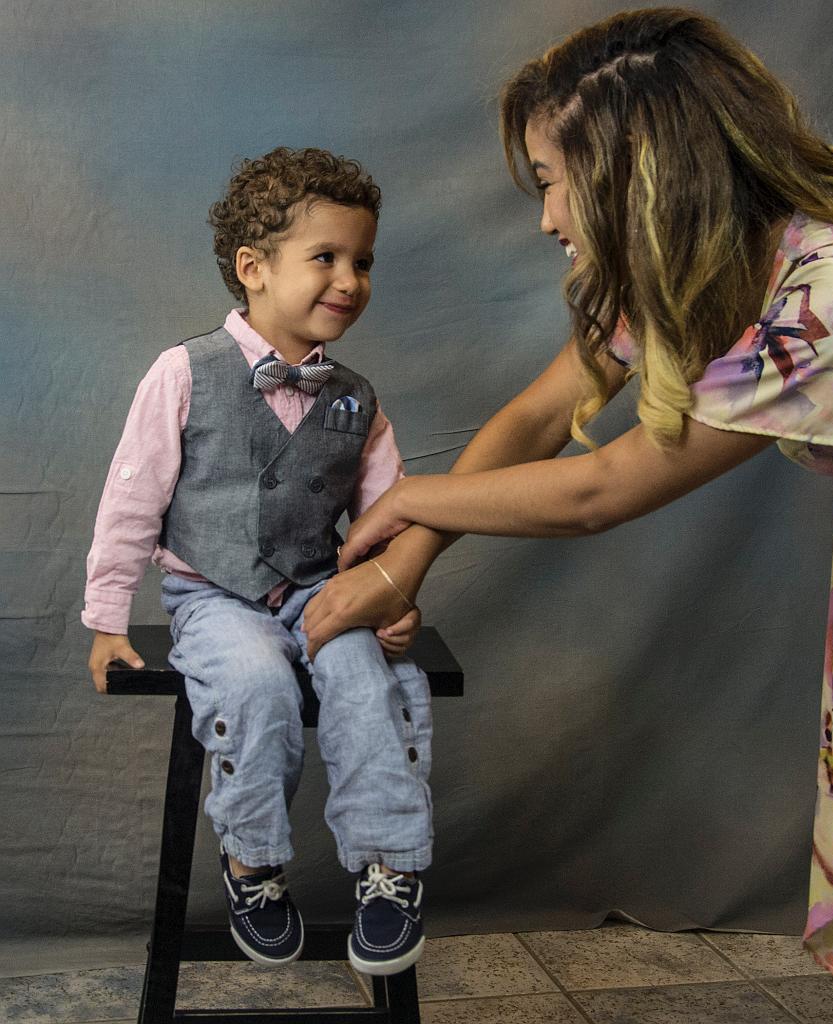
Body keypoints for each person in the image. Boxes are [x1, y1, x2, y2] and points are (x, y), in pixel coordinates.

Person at [301, 9, 833, 1023]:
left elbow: (598, 491)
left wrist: (408, 500)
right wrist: (407, 562)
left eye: (551, 181)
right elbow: (535, 419)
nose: (544, 219)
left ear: (634, 172)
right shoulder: (712, 266)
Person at [83, 147, 432, 976]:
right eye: (325, 257)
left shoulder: (355, 398)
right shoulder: (184, 373)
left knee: (365, 680)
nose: (348, 280)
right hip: (213, 595)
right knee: (254, 686)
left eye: (362, 262)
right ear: (254, 268)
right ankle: (252, 862)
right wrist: (106, 620)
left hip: (318, 589)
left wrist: (393, 596)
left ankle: (388, 868)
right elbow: (131, 500)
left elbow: (390, 518)